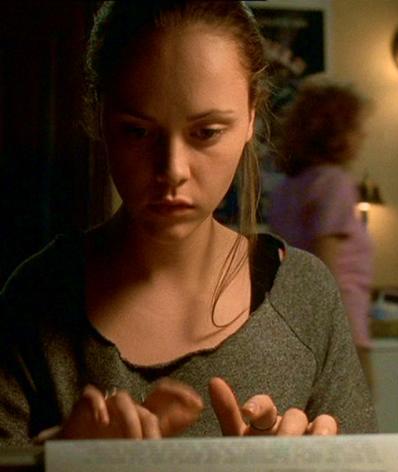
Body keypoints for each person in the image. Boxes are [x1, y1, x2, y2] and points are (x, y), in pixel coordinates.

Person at [0, 1, 377, 445]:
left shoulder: (305, 297)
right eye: (137, 131)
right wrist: (62, 461)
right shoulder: (36, 297)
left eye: (206, 132)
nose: (173, 169)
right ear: (99, 116)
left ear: (251, 116)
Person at [268, 81, 374, 384]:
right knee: (356, 407)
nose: (363, 135)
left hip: (293, 317)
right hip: (339, 323)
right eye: (355, 128)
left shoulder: (287, 188)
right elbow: (326, 265)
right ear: (335, 134)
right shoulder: (334, 184)